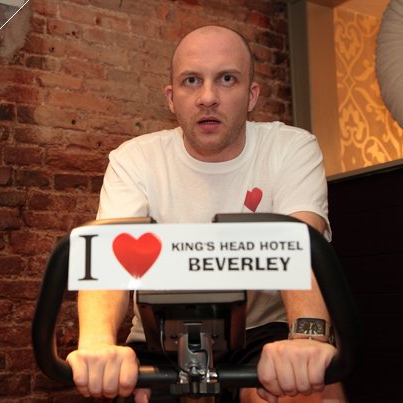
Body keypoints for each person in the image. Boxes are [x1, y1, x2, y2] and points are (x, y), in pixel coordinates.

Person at [66, 25, 346, 403]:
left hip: (260, 331)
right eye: (192, 80)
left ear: (251, 95)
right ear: (171, 98)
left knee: (310, 391)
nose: (208, 97)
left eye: (227, 79)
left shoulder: (290, 147)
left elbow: (301, 249)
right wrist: (97, 342)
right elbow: (108, 263)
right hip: (160, 336)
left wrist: (308, 339)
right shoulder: (134, 159)